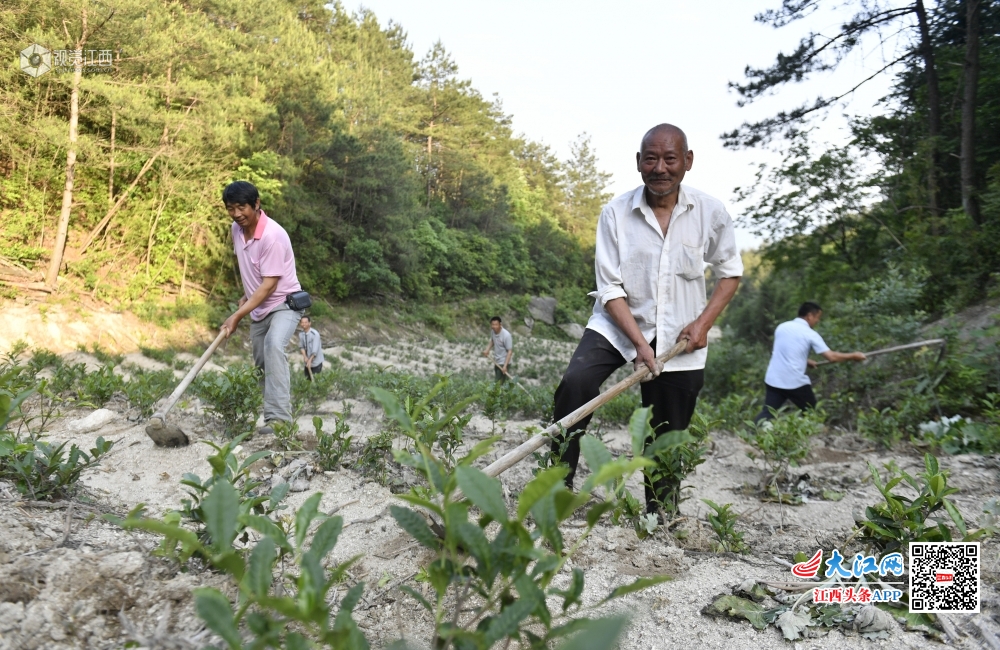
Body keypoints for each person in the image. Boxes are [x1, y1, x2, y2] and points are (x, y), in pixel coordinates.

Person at [551, 123, 743, 516]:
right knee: (576, 383)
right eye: (651, 159)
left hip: (680, 334)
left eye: (670, 158)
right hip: (618, 325)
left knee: (669, 426)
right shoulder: (616, 213)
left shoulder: (710, 212)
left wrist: (703, 323)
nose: (660, 168)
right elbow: (609, 288)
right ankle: (558, 484)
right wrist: (640, 344)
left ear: (687, 162)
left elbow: (730, 272)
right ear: (639, 163)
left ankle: (660, 513)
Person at [220, 180, 302, 435]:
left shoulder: (273, 236)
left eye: (241, 207)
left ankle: (279, 421)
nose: (236, 214)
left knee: (273, 346)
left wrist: (236, 316)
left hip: (284, 304)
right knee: (261, 364)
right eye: (230, 208)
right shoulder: (236, 229)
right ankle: (270, 417)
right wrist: (247, 296)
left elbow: (268, 286)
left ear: (256, 204)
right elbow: (252, 269)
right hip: (259, 309)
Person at [755, 302, 866, 422]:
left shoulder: (782, 327)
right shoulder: (810, 334)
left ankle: (749, 436)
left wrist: (805, 361)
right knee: (811, 412)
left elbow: (785, 350)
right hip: (794, 382)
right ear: (809, 316)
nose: (818, 321)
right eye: (817, 317)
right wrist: (853, 356)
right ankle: (812, 438)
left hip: (774, 379)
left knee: (768, 412)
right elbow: (832, 357)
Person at [482, 316, 513, 382]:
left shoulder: (506, 335)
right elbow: (493, 340)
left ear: (500, 325)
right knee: (499, 383)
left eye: (496, 325)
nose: (494, 326)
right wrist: (487, 350)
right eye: (493, 324)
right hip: (497, 361)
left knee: (498, 383)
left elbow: (509, 352)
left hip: (504, 362)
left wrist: (505, 366)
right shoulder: (493, 331)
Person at [298, 315, 324, 380]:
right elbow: (301, 347)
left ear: (309, 323)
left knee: (316, 381)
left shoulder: (315, 334)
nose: (303, 324)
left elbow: (315, 351)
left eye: (305, 322)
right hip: (307, 363)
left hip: (316, 363)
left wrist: (310, 361)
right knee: (307, 381)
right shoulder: (301, 334)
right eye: (302, 322)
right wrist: (305, 357)